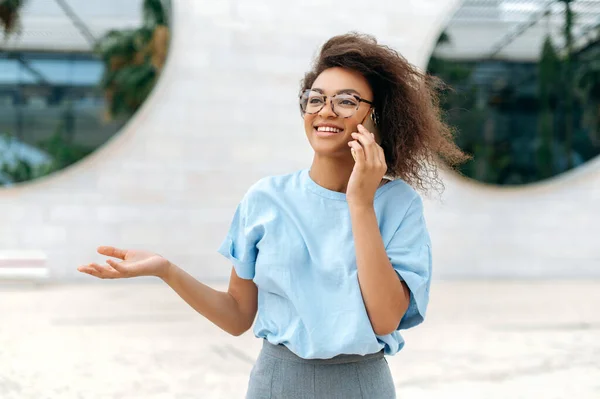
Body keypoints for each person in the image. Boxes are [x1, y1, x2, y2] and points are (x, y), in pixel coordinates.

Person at [78, 32, 468, 398]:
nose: (325, 111)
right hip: (277, 382)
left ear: (377, 118)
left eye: (346, 101)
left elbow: (385, 319)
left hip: (362, 383)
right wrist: (167, 270)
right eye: (315, 99)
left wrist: (361, 204)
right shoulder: (265, 198)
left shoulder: (399, 204)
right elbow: (236, 316)